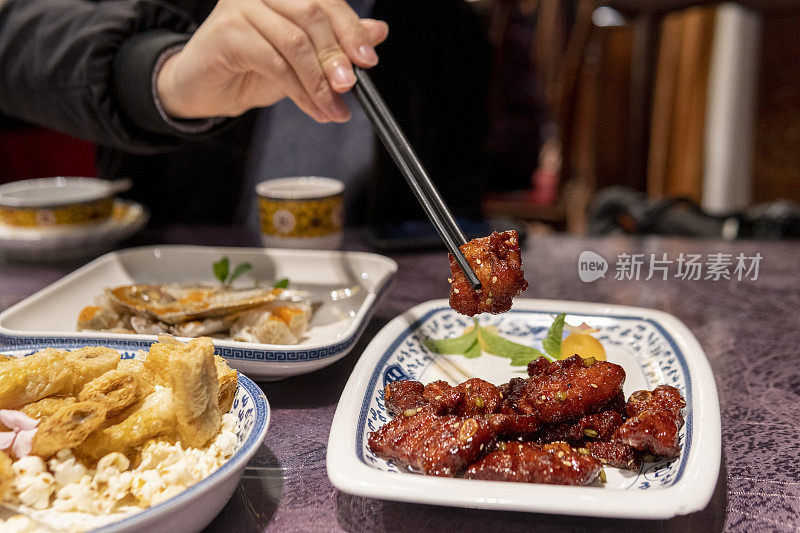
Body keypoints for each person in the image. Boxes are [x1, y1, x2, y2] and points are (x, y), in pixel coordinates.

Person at [0, 0, 490, 227]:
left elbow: (456, 206)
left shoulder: (449, 32)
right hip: (160, 301)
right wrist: (165, 74)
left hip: (365, 317)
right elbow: (14, 40)